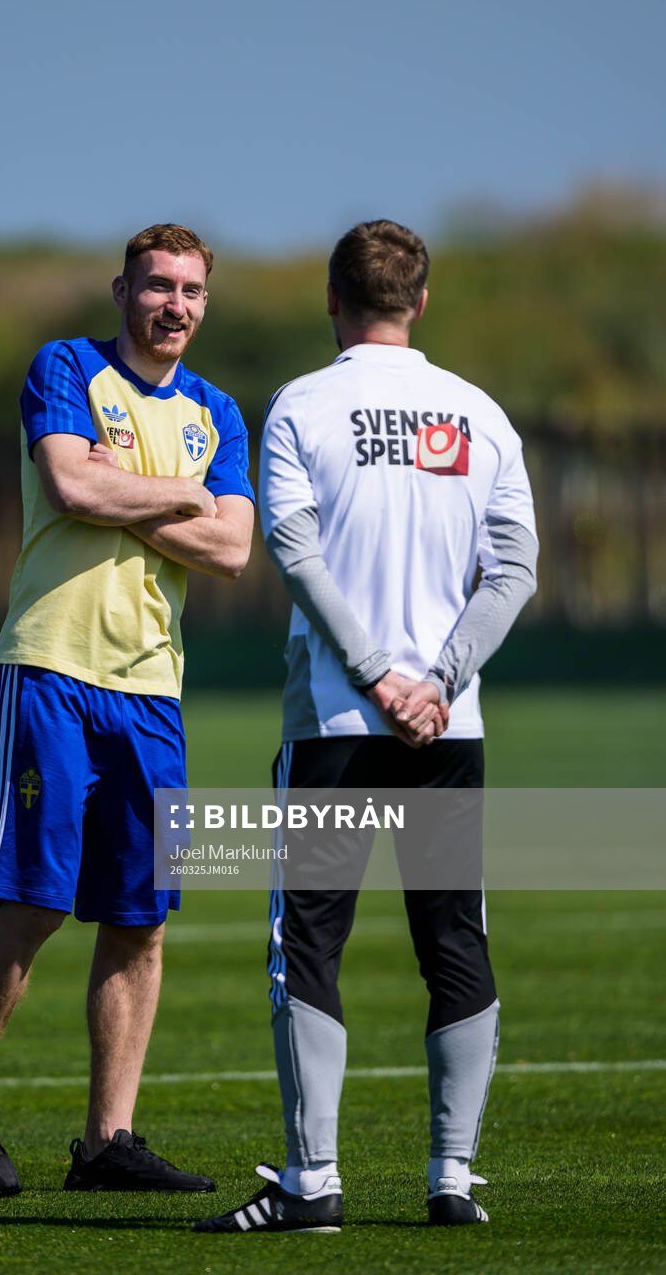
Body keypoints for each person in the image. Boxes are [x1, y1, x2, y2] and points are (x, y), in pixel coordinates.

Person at [194, 218, 537, 1234]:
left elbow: (294, 550)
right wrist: (435, 678)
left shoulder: (302, 403)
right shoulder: (478, 412)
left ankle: (314, 1181)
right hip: (450, 723)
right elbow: (512, 570)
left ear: (330, 299)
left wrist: (377, 676)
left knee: (306, 942)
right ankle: (450, 1179)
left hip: (336, 723)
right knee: (454, 939)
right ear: (420, 302)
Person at [0, 223, 255, 1198]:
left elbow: (235, 552)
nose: (175, 304)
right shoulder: (65, 365)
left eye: (191, 289)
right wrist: (185, 499)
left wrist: (127, 493)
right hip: (50, 670)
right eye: (158, 285)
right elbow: (67, 481)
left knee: (140, 918)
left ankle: (107, 1141)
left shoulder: (217, 412)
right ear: (122, 290)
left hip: (153, 689)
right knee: (35, 899)